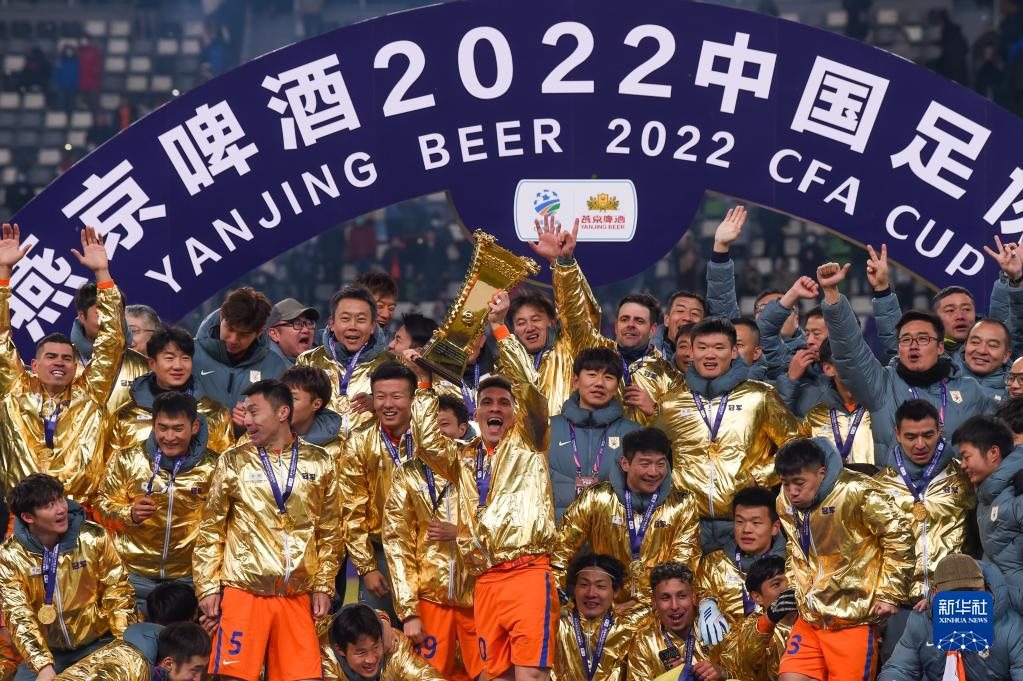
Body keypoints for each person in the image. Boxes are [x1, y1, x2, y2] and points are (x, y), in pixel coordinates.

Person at [406, 290, 558, 681]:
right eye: (487, 402)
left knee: (531, 676)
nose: (495, 408)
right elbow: (426, 442)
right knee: (494, 676)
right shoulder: (464, 456)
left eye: (504, 403)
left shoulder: (530, 442)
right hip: (484, 580)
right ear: (476, 412)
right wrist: (423, 385)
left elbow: (530, 388)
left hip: (527, 573)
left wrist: (500, 328)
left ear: (516, 412)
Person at [193, 379, 342, 681]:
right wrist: (207, 586)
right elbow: (211, 529)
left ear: (282, 412)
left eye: (254, 412)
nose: (246, 420)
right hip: (243, 592)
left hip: (297, 593)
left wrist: (324, 585)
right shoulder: (233, 461)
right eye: (245, 412)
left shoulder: (320, 461)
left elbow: (330, 531)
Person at [817, 260, 994, 463]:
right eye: (906, 340)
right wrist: (832, 295)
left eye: (923, 339)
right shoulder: (882, 385)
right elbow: (850, 352)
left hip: (954, 484)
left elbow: (996, 445)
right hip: (894, 483)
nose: (913, 345)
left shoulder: (969, 390)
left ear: (940, 347)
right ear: (899, 346)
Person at [0, 224, 125, 508]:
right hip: (21, 516)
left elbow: (112, 341)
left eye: (67, 358)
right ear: (34, 364)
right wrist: (4, 272)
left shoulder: (90, 394)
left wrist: (102, 273)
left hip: (77, 515)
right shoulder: (14, 392)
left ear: (75, 366)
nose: (59, 362)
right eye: (52, 357)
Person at [775, 438, 915, 681]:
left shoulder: (857, 490)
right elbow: (795, 547)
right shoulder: (784, 501)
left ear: (821, 473)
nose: (792, 491)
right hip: (810, 619)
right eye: (786, 483)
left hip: (852, 619)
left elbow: (899, 537)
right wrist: (797, 590)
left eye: (799, 483)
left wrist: (890, 593)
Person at [654, 317, 799, 546]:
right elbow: (654, 454)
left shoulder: (760, 397)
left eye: (719, 347)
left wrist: (759, 477)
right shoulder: (671, 403)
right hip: (687, 522)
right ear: (691, 351)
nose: (710, 355)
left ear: (733, 352)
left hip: (745, 521)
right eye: (702, 347)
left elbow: (796, 445)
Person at [381, 394, 483, 680]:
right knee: (430, 675)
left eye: (443, 425)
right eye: (429, 426)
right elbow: (397, 542)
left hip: (476, 599)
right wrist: (409, 612)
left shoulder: (479, 470)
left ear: (462, 429)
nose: (435, 433)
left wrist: (460, 533)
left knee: (489, 674)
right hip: (430, 600)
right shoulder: (407, 475)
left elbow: (500, 529)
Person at [0, 474, 136, 681]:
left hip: (99, 643)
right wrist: (42, 664)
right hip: (49, 652)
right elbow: (18, 613)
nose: (61, 509)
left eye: (60, 499)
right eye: (49, 505)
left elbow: (118, 590)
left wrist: (122, 643)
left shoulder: (93, 537)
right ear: (28, 517)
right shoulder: (9, 555)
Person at [99, 392, 219, 616]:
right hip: (132, 574)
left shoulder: (214, 467)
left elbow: (219, 525)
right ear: (153, 426)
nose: (169, 437)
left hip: (187, 577)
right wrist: (129, 514)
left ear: (194, 426)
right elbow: (102, 505)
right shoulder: (126, 459)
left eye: (177, 428)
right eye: (162, 428)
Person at [873, 399, 974, 660]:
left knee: (959, 673)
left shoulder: (964, 476)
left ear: (939, 430)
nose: (920, 444)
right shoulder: (878, 487)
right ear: (897, 434)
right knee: (897, 672)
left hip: (956, 599)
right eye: (911, 437)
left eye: (928, 435)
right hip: (900, 607)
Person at [552, 427, 700, 606]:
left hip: (659, 609)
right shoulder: (596, 498)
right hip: (601, 608)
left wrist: (640, 605)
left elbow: (682, 567)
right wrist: (556, 596)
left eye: (661, 464)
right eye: (645, 464)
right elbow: (561, 548)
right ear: (625, 463)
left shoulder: (682, 504)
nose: (654, 472)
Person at [553, 222, 680, 424]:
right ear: (616, 326)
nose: (630, 325)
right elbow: (574, 315)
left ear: (652, 329)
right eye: (624, 319)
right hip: (593, 443)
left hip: (642, 445)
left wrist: (654, 410)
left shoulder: (669, 374)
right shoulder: (595, 350)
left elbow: (680, 430)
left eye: (639, 321)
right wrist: (566, 263)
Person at [337, 361, 422, 624]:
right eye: (381, 397)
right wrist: (367, 567)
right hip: (381, 553)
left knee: (427, 635)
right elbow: (351, 509)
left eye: (396, 396)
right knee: (380, 633)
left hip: (427, 551)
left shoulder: (429, 439)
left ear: (413, 399)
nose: (388, 404)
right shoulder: (359, 441)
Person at [513, 215, 605, 417]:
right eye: (521, 322)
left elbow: (574, 312)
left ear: (552, 321)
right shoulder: (506, 366)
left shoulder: (570, 349)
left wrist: (562, 263)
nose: (529, 327)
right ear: (514, 330)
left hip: (569, 437)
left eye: (536, 319)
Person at [878, 555, 1023, 680]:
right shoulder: (921, 620)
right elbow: (900, 668)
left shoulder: (1010, 625)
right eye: (954, 592)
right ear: (935, 592)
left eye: (971, 590)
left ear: (984, 587)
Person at [109, 326, 234, 458]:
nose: (178, 366)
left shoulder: (216, 413)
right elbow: (110, 466)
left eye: (185, 358)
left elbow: (227, 464)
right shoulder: (125, 416)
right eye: (169, 358)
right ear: (152, 364)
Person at [548, 347, 642, 521]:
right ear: (576, 381)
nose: (599, 383)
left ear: (617, 387)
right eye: (592, 374)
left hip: (613, 531)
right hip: (557, 531)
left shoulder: (634, 434)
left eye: (608, 377)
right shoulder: (549, 429)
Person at [54, 583, 207, 681]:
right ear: (168, 663)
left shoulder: (145, 654)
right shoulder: (134, 666)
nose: (198, 679)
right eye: (195, 670)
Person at [297, 284, 393, 435]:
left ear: (372, 326)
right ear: (332, 324)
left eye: (361, 319)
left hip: (371, 449)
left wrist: (379, 402)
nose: (352, 326)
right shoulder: (309, 361)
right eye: (345, 319)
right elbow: (295, 410)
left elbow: (407, 411)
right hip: (320, 449)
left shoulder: (391, 365)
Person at [193, 287, 291, 428]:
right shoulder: (188, 354)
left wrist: (256, 421)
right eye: (230, 329)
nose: (233, 339)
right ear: (222, 316)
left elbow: (282, 423)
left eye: (244, 335)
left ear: (259, 332)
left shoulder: (275, 367)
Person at [694, 486, 786, 631]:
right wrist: (705, 603)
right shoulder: (713, 564)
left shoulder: (791, 567)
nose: (746, 530)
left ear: (775, 528)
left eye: (756, 523)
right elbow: (698, 594)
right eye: (740, 521)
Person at [626, 562, 737, 680]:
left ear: (693, 597)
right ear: (654, 602)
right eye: (665, 598)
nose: (674, 606)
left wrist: (723, 674)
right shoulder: (644, 642)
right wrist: (667, 678)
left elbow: (745, 674)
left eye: (682, 596)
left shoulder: (718, 626)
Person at [954, 414, 1023, 591]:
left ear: (993, 453)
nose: (962, 465)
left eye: (966, 457)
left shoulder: (1018, 493)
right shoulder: (986, 496)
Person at [550, 554, 645, 681]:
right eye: (584, 584)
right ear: (574, 588)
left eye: (600, 586)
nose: (591, 593)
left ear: (616, 591)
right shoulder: (555, 624)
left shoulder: (629, 629)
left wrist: (631, 603)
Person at [71, 282, 150, 414]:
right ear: (81, 316)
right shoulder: (62, 363)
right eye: (100, 313)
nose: (108, 321)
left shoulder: (144, 366)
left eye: (114, 313)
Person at [796, 339, 876, 466]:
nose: (856, 367)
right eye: (847, 362)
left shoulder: (879, 408)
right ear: (828, 369)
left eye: (860, 360)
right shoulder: (813, 415)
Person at [719, 555, 798, 681]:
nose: (787, 587)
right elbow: (746, 661)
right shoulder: (749, 627)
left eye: (791, 580)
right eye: (776, 584)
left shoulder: (813, 618)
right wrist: (769, 618)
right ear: (757, 597)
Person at [321, 604, 443, 681]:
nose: (371, 659)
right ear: (340, 650)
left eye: (375, 647)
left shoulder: (394, 644)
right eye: (361, 652)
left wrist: (383, 619)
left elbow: (425, 676)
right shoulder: (324, 658)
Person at [654, 290, 706, 363]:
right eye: (680, 311)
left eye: (695, 313)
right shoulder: (644, 357)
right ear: (666, 320)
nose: (687, 318)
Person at [266, 298, 319, 365]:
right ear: (274, 334)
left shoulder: (322, 359)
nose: (306, 330)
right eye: (297, 324)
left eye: (310, 323)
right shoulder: (265, 367)